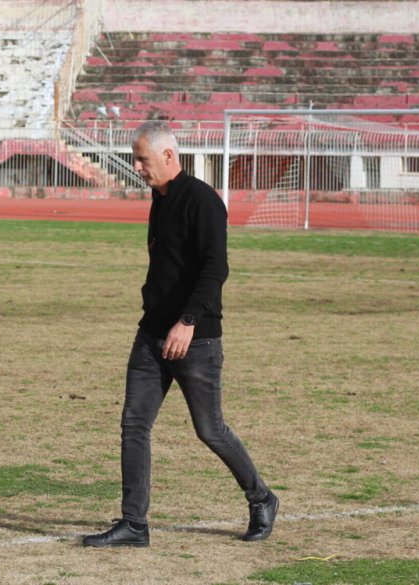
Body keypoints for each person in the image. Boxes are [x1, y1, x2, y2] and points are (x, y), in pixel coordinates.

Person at [82, 121, 278, 548]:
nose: (136, 167)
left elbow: (215, 269)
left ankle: (261, 497)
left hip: (196, 338)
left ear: (169, 156)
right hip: (151, 334)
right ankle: (134, 524)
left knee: (210, 430)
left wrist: (187, 322)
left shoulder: (203, 202)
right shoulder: (160, 196)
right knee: (134, 423)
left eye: (142, 159)